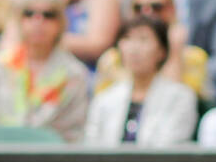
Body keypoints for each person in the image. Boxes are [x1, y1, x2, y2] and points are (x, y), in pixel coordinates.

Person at [0, 0, 90, 143]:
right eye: (29, 13)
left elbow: (74, 133)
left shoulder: (75, 74)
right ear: (19, 20)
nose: (38, 21)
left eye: (48, 15)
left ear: (60, 23)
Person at [84, 16, 198, 146]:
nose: (134, 48)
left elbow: (171, 147)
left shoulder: (180, 97)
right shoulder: (105, 99)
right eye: (127, 38)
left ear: (161, 51)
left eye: (143, 39)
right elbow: (92, 147)